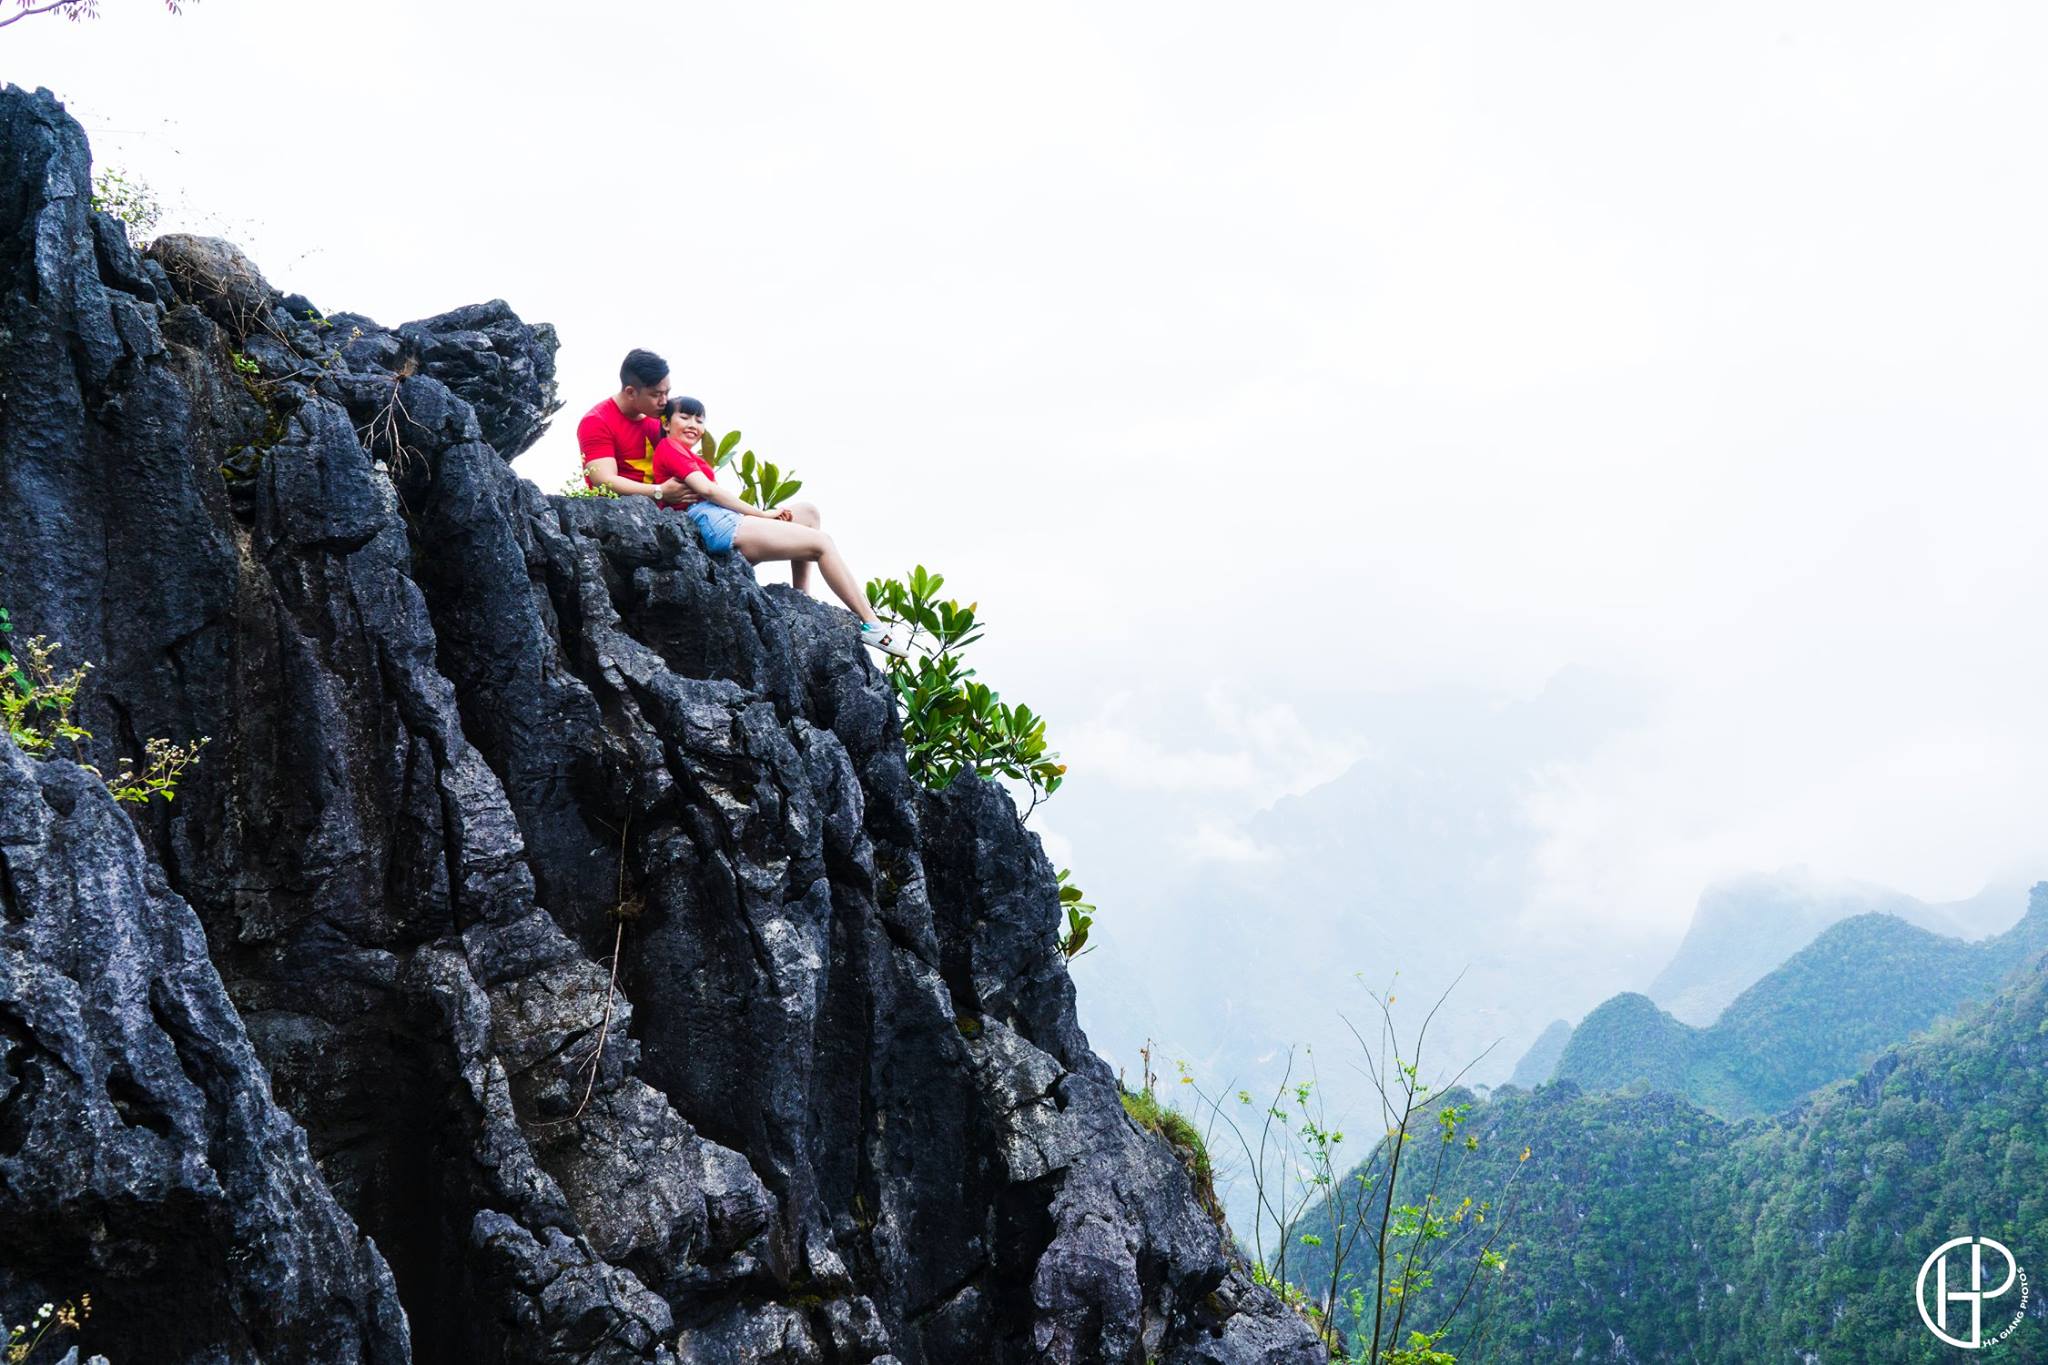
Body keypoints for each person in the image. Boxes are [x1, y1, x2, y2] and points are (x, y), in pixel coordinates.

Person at [650, 397, 908, 658]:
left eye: (699, 419)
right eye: (685, 417)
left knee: (808, 513)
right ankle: (871, 624)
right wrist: (760, 514)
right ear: (666, 423)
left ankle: (801, 597)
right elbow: (707, 490)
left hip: (720, 519)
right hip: (712, 524)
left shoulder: (687, 455)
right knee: (823, 543)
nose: (693, 424)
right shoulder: (669, 447)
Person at [577, 348, 696, 504]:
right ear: (631, 392)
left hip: (672, 514)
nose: (664, 401)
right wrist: (660, 491)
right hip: (623, 515)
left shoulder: (664, 414)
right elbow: (603, 480)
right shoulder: (596, 421)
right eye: (656, 395)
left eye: (667, 392)